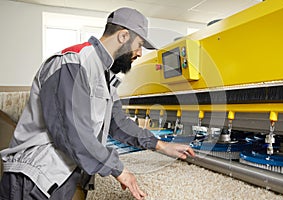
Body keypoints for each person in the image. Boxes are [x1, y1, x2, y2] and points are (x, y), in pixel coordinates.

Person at [0, 7, 195, 200]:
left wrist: (160, 145)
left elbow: (118, 123)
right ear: (123, 36)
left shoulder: (105, 75)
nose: (140, 53)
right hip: (33, 178)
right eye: (139, 44)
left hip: (56, 176)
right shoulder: (73, 62)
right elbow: (73, 132)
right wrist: (118, 169)